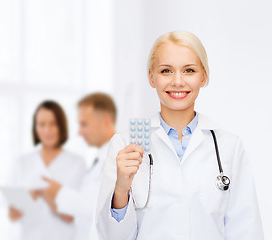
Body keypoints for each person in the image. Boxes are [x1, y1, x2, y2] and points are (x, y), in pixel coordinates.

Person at [96, 31, 264, 239]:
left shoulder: (228, 146)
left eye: (189, 70)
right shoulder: (125, 144)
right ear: (151, 77)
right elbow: (112, 236)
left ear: (204, 77)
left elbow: (246, 230)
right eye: (166, 71)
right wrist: (121, 188)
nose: (177, 81)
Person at [39, 93, 117, 240]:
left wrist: (60, 192)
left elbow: (105, 211)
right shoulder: (99, 159)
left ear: (106, 122)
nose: (79, 132)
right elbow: (83, 209)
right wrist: (53, 199)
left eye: (84, 124)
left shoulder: (118, 158)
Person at [8, 100, 86, 240]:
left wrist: (45, 194)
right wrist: (19, 207)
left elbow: (73, 216)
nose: (47, 130)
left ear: (61, 126)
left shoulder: (77, 163)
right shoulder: (21, 163)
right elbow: (13, 216)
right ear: (35, 128)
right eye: (42, 124)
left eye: (53, 124)